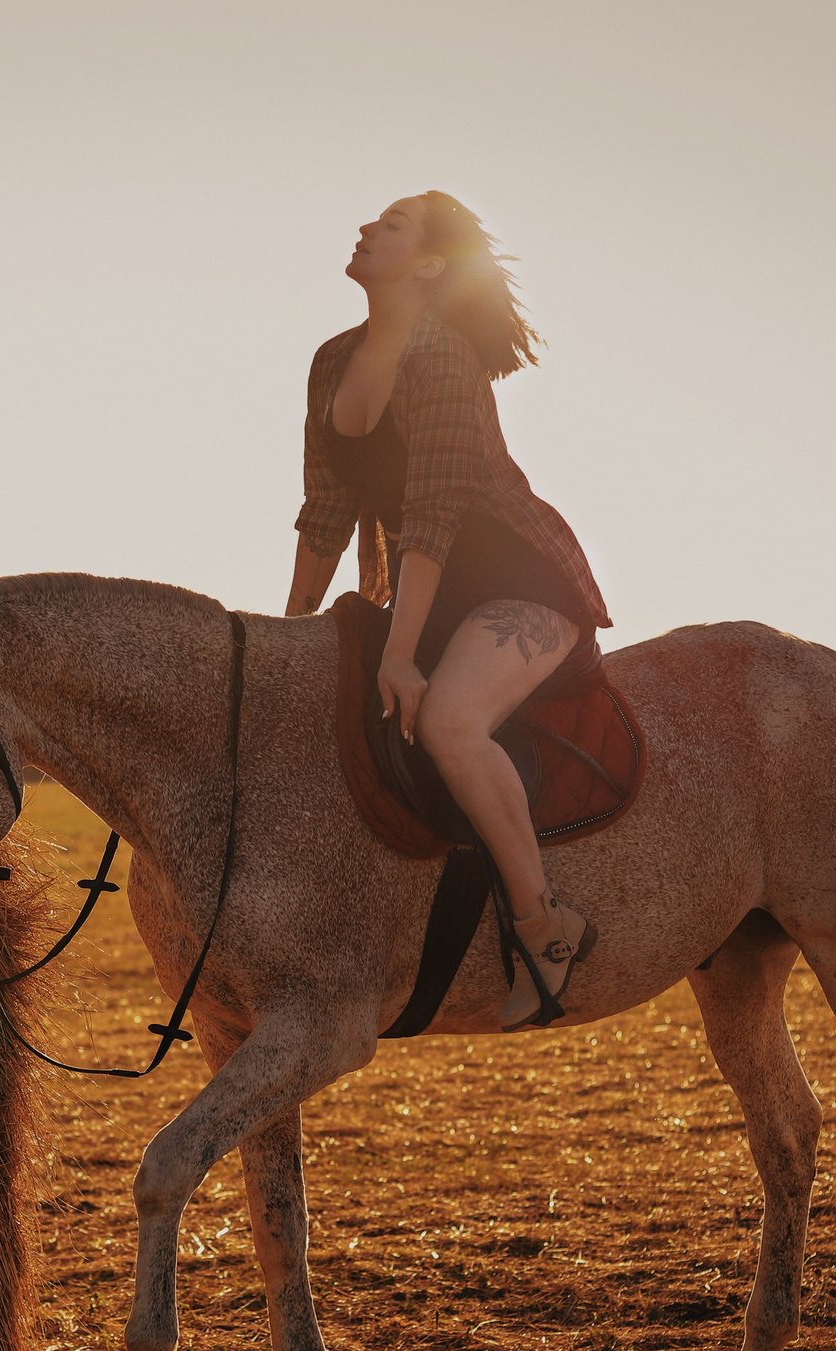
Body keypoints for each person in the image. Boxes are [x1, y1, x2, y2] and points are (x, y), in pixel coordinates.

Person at [286, 192, 613, 1030]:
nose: (366, 227)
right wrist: (286, 637)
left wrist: (399, 655)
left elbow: (430, 518)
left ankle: (545, 926)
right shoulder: (331, 362)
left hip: (518, 582)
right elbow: (325, 514)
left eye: (390, 225)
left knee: (449, 723)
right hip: (424, 596)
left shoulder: (443, 361)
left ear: (431, 264)